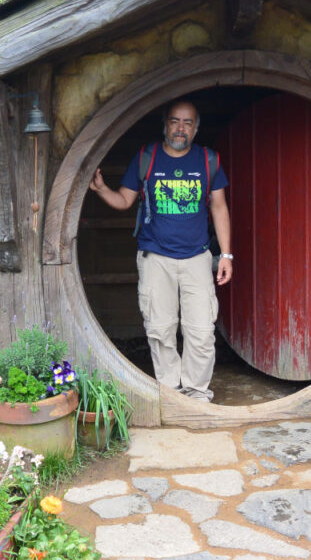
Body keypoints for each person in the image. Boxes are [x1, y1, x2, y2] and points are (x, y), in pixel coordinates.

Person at [89, 99, 232, 401]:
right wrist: (102, 189)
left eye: (188, 122)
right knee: (160, 329)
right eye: (175, 121)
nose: (181, 129)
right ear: (165, 124)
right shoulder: (146, 157)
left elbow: (219, 207)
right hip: (155, 258)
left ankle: (196, 395)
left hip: (197, 257)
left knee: (201, 331)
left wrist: (227, 256)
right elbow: (125, 201)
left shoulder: (208, 160)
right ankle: (171, 393)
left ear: (196, 128)